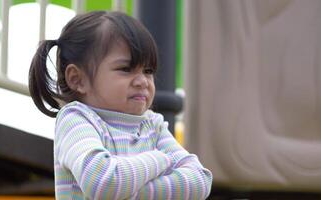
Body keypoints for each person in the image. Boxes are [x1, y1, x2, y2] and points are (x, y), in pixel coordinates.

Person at [28, 11, 212, 200]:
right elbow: (102, 182)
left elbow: (200, 180)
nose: (142, 81)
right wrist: (160, 159)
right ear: (78, 79)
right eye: (125, 69)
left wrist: (128, 192)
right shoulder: (76, 120)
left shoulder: (152, 124)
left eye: (148, 71)